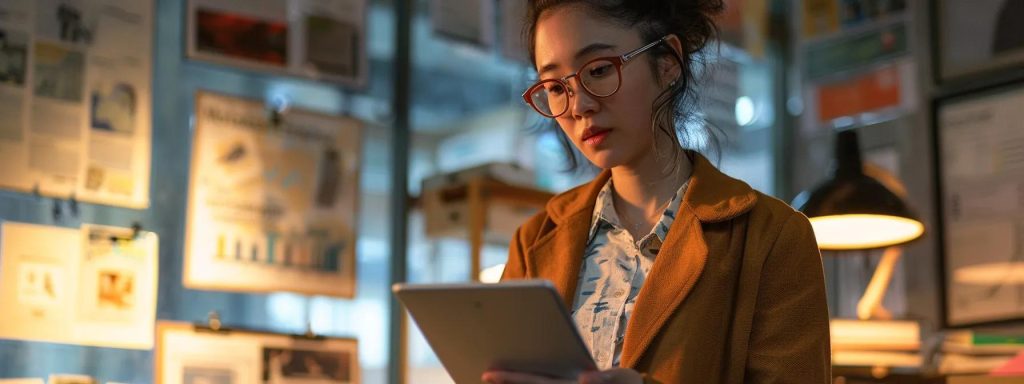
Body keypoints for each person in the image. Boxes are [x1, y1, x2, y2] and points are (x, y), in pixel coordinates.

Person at [484, 1, 830, 383]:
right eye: (554, 87)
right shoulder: (536, 240)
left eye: (599, 70)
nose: (579, 105)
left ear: (667, 61)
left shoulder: (771, 238)